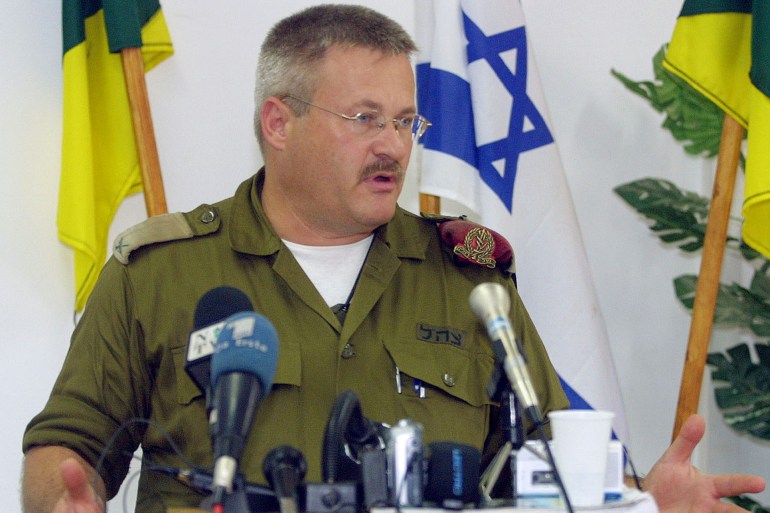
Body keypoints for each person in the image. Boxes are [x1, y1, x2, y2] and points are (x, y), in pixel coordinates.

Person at [21, 4, 765, 513]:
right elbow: (67, 445)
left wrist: (640, 502)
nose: (394, 145)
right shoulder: (162, 273)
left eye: (406, 120)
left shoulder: (472, 285)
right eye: (365, 119)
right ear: (278, 122)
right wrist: (63, 497)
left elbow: (556, 468)